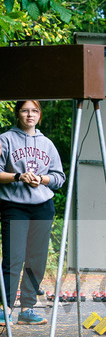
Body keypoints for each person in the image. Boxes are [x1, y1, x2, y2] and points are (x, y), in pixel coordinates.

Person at [0, 100, 66, 325]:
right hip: (14, 204)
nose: (30, 115)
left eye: (35, 111)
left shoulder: (47, 143)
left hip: (42, 205)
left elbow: (59, 177)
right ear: (18, 113)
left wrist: (42, 179)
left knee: (36, 258)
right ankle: (5, 308)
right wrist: (18, 176)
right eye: (25, 110)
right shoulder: (5, 139)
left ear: (40, 115)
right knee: (13, 257)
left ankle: (27, 309)